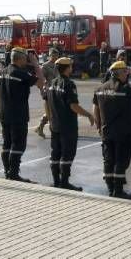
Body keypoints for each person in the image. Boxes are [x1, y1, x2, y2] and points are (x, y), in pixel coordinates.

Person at [93, 61, 131, 199]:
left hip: (107, 131)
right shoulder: (126, 89)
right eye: (125, 71)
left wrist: (98, 126)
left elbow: (95, 109)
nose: (127, 74)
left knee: (108, 160)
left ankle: (111, 188)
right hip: (123, 132)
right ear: (119, 73)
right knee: (121, 161)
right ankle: (118, 191)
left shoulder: (100, 88)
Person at [0, 47, 45, 182]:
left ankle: (7, 172)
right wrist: (36, 65)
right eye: (25, 58)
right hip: (18, 114)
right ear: (20, 58)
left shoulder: (1, 73)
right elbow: (41, 82)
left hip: (4, 113)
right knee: (18, 144)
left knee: (7, 143)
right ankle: (14, 173)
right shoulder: (21, 73)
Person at [47, 57, 95, 191]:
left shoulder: (51, 83)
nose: (72, 68)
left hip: (55, 124)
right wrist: (89, 115)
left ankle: (56, 181)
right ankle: (64, 182)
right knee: (67, 154)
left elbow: (46, 102)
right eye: (70, 66)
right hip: (67, 126)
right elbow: (73, 106)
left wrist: (50, 119)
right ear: (67, 68)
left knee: (55, 153)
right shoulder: (68, 84)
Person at [34, 48, 59, 139]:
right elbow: (40, 78)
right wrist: (43, 89)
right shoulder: (45, 66)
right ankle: (49, 128)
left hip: (57, 90)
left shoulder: (58, 65)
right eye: (53, 55)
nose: (55, 57)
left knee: (53, 110)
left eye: (56, 55)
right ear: (49, 56)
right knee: (51, 110)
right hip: (48, 91)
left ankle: (40, 127)